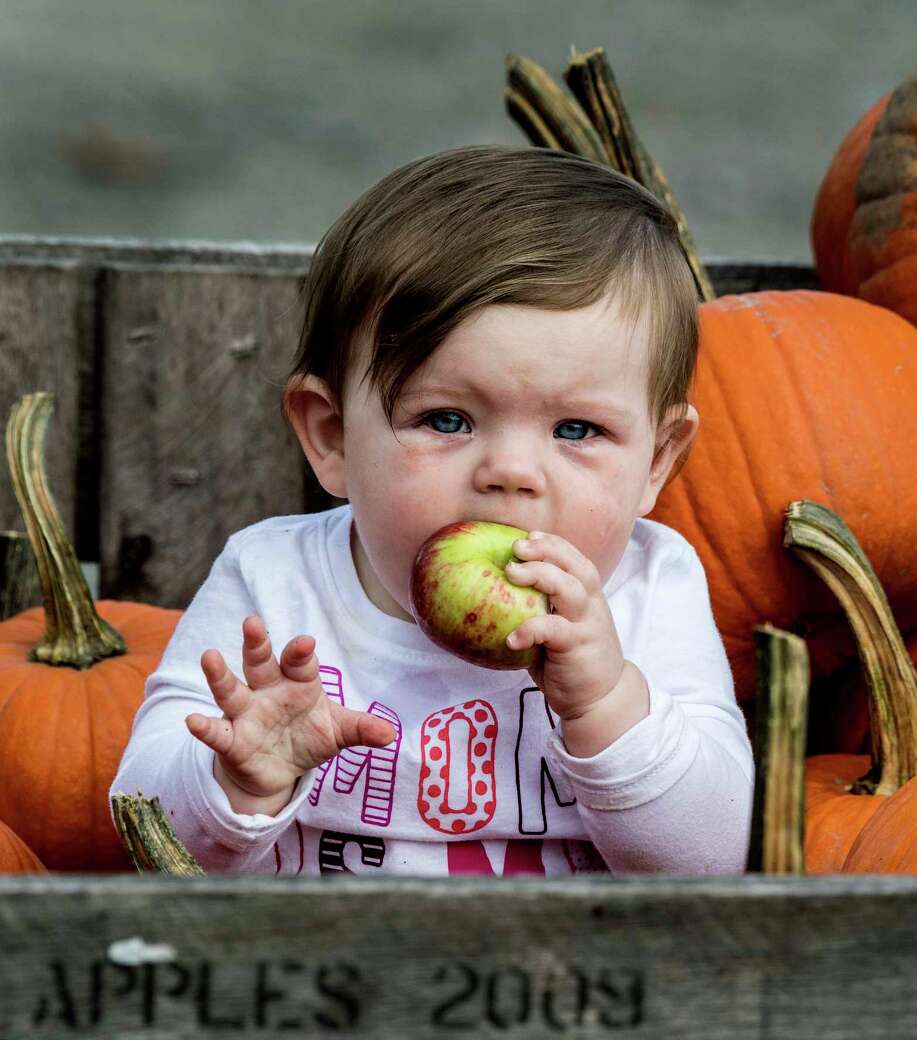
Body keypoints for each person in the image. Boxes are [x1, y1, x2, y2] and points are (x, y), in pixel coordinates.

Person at [109, 144, 754, 876]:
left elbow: (710, 864)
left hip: (568, 985)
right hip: (307, 979)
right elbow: (144, 835)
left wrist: (606, 705)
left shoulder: (651, 594)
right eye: (446, 419)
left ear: (657, 463)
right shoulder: (275, 584)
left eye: (577, 430)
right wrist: (240, 781)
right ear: (331, 438)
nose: (510, 473)